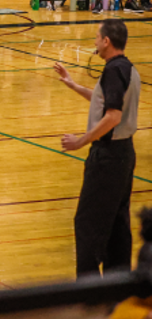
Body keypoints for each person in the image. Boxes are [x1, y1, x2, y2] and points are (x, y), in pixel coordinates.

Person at [54, 20, 140, 278]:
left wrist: (81, 141)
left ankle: (89, 291)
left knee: (88, 224)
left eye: (96, 37)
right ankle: (118, 283)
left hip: (109, 157)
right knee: (116, 223)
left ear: (106, 41)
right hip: (124, 154)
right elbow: (104, 100)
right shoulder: (127, 68)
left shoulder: (114, 70)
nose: (94, 42)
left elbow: (112, 116)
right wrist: (72, 84)